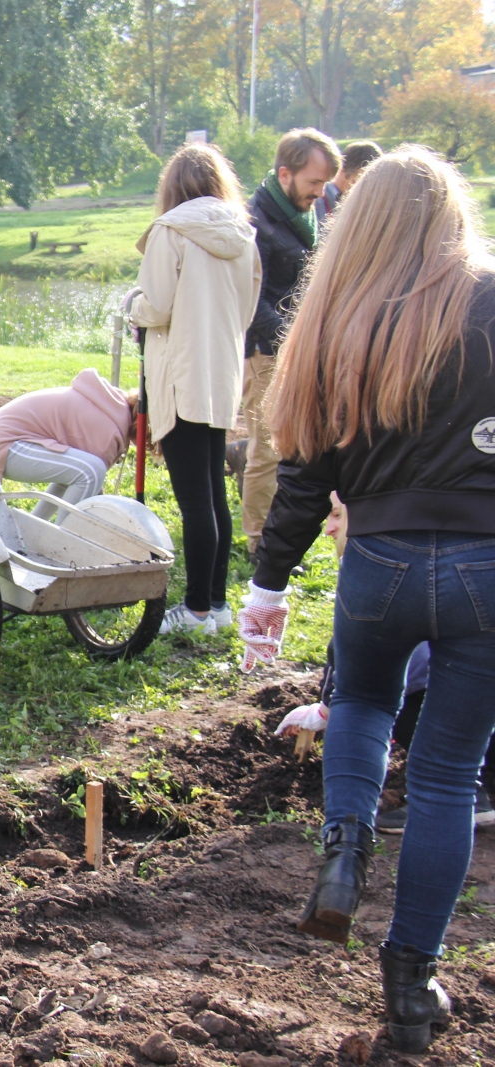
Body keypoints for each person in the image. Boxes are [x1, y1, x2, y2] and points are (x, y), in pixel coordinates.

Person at [239, 147, 495, 1054]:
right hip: (486, 570)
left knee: (359, 700)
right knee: (447, 780)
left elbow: (304, 476)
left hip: (378, 562)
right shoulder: (490, 300)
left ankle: (344, 848)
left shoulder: (337, 316)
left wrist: (267, 585)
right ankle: (412, 981)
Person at [275, 495, 495, 830]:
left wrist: (325, 709)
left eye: (336, 516)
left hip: (454, 697)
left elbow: (357, 667)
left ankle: (468, 796)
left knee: (394, 695)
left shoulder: (382, 576)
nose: (329, 529)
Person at [128, 143, 260, 634]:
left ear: (173, 188)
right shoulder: (245, 236)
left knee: (194, 500)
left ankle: (198, 610)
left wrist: (132, 308)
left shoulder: (171, 230)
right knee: (213, 496)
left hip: (181, 375)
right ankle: (217, 605)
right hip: (221, 375)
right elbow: (247, 310)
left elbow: (156, 306)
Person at [241, 128, 340, 558]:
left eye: (324, 184)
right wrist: (290, 339)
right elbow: (251, 299)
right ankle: (260, 540)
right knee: (267, 448)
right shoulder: (255, 223)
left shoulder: (303, 214)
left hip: (297, 350)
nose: (320, 194)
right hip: (266, 351)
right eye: (314, 183)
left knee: (298, 446)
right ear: (285, 174)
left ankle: (287, 534)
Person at [0, 369, 135, 518]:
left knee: (79, 471)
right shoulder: (109, 429)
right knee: (89, 472)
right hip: (2, 444)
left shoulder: (111, 407)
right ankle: (65, 542)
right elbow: (92, 483)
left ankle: (32, 530)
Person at [314, 140, 382, 230]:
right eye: (358, 181)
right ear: (341, 169)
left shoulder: (367, 207)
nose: (366, 191)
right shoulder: (316, 201)